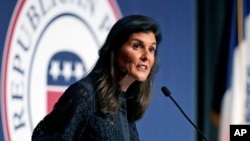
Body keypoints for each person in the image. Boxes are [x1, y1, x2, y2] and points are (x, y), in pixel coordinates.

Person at [32, 14, 162, 141]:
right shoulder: (84, 96)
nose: (146, 56)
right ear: (115, 50)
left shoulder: (126, 105)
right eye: (137, 46)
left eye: (151, 49)